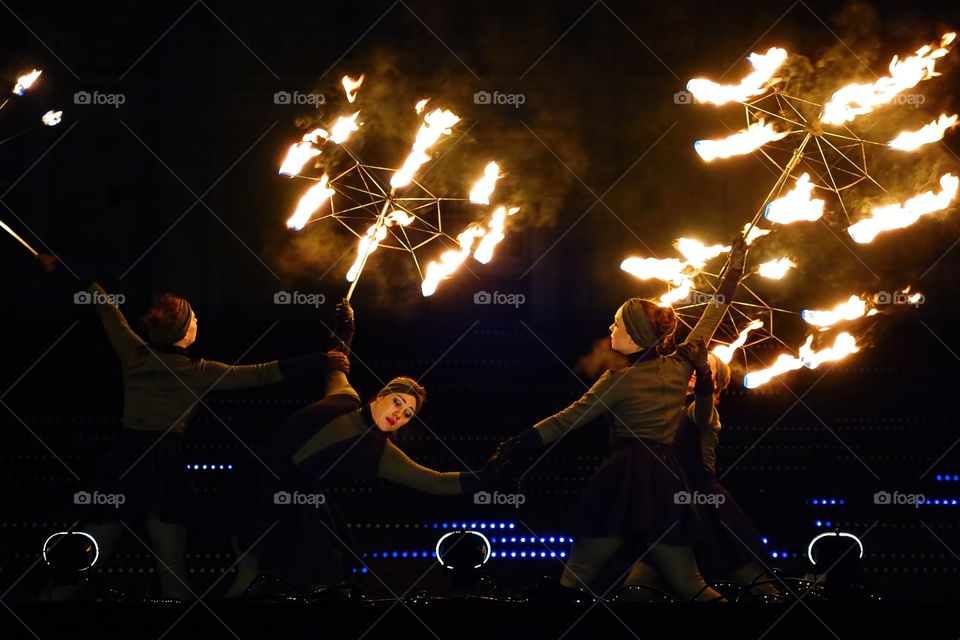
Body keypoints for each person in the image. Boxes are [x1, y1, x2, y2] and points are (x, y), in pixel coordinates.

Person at [37, 255, 349, 599]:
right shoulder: (197, 371)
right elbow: (262, 373)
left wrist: (61, 269)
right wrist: (321, 359)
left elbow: (102, 301)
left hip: (124, 461)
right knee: (169, 559)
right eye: (193, 317)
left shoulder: (133, 351)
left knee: (89, 553)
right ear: (185, 329)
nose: (198, 319)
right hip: (161, 464)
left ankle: (44, 610)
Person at [491, 237, 747, 602]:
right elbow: (715, 312)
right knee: (688, 584)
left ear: (635, 335)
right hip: (662, 476)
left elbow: (567, 421)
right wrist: (734, 269)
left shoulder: (617, 382)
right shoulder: (682, 363)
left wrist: (519, 443)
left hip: (624, 474)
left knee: (578, 576)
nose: (611, 330)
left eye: (617, 325)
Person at [225, 299, 498, 597]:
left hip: (296, 508)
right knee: (247, 578)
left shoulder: (381, 453)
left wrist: (487, 477)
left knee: (309, 585)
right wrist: (347, 328)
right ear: (381, 395)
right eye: (398, 402)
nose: (399, 414)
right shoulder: (344, 395)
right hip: (258, 485)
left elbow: (436, 481)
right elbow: (338, 360)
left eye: (408, 415)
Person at [623, 341, 779, 599]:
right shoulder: (666, 411)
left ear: (715, 382)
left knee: (760, 589)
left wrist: (701, 370)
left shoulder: (703, 411)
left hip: (703, 505)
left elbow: (703, 403)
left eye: (706, 369)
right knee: (635, 591)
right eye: (694, 367)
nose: (696, 370)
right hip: (669, 509)